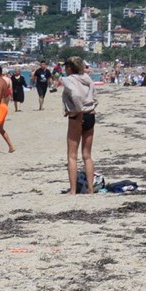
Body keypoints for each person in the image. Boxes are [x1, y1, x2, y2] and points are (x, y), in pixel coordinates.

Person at [61, 56, 97, 194]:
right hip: (90, 114)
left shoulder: (68, 80)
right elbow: (95, 96)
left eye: (66, 67)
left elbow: (75, 95)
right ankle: (90, 189)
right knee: (87, 155)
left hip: (77, 116)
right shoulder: (87, 78)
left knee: (72, 155)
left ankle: (73, 190)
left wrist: (78, 109)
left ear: (70, 68)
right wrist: (91, 107)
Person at [0, 64, 15, 153]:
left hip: (0, 107)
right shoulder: (2, 82)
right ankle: (11, 147)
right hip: (2, 107)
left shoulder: (0, 83)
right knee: (0, 129)